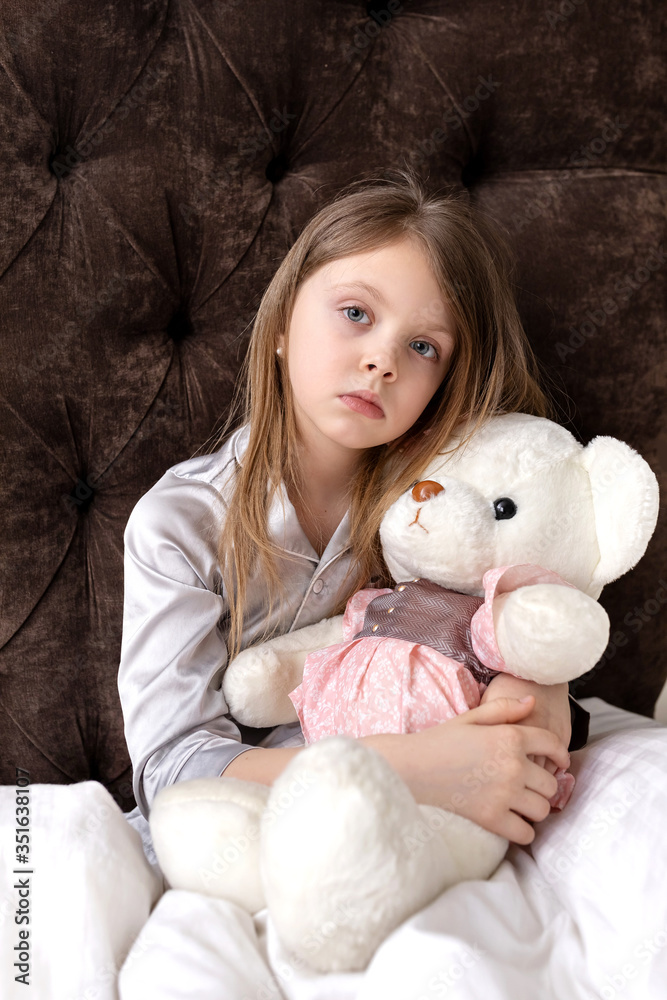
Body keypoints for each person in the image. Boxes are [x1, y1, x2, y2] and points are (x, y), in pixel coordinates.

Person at [117, 168, 589, 876]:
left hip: (417, 830)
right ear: (280, 328)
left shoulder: (436, 512)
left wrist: (537, 696)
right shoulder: (178, 524)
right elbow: (170, 769)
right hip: (239, 833)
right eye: (356, 314)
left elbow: (515, 621)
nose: (380, 361)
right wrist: (412, 767)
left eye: (423, 347)